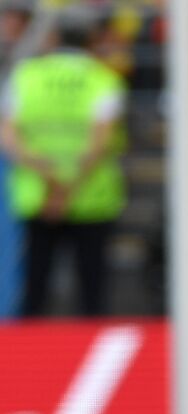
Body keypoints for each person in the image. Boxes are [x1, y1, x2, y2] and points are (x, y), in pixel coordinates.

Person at [0, 17, 126, 316]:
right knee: (91, 285)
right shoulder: (102, 79)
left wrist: (46, 175)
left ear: (53, 39)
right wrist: (68, 185)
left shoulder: (26, 76)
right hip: (91, 196)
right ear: (92, 43)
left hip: (38, 194)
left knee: (35, 282)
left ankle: (26, 357)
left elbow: (8, 134)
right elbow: (101, 141)